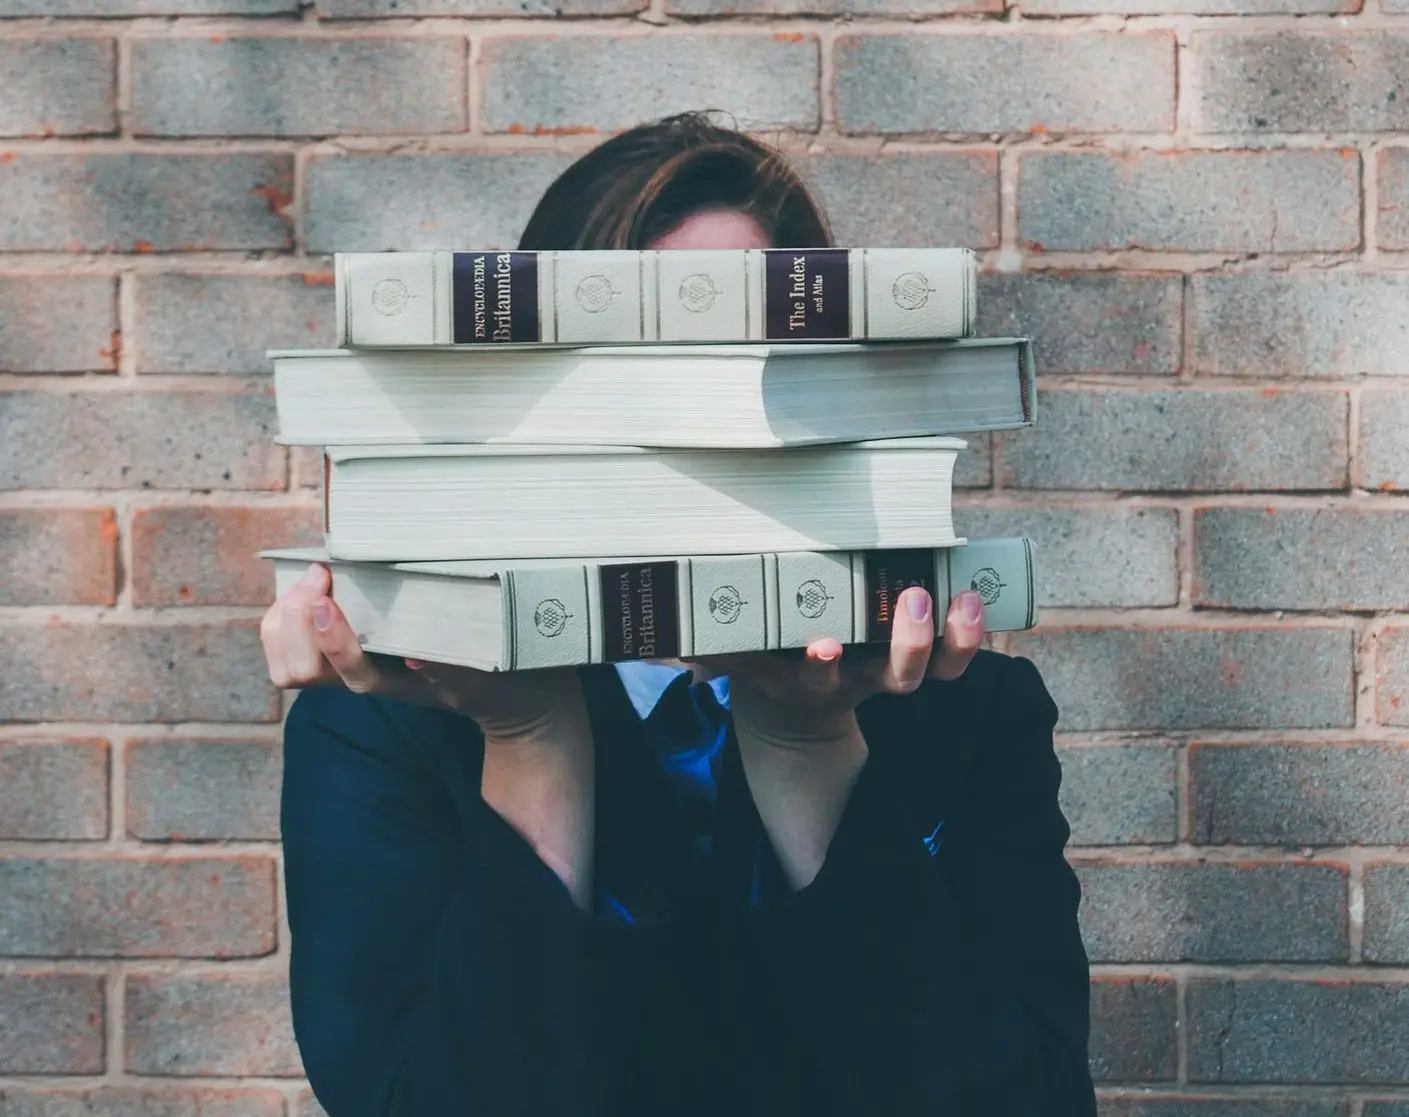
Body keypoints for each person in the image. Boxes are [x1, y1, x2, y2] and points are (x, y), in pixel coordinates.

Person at [265, 111, 1096, 1116]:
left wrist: (809, 747)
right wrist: (527, 738)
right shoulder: (390, 722)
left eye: (735, 369)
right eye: (634, 375)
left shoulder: (971, 711)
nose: (694, 438)